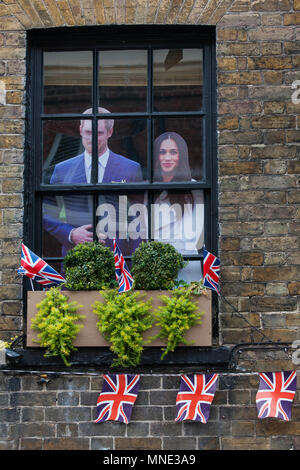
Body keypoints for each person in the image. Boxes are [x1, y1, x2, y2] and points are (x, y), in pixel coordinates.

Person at [43, 107, 143, 257]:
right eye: (88, 132)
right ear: (80, 129)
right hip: (75, 257)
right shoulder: (61, 170)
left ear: (110, 132)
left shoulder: (130, 169)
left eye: (99, 133)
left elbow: (138, 218)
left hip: (119, 259)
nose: (92, 138)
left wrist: (136, 263)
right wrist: (70, 234)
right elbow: (45, 211)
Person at [152, 131, 204, 282]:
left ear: (181, 155)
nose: (167, 158)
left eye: (173, 152)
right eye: (162, 152)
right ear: (156, 156)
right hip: (157, 264)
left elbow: (198, 234)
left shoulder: (195, 189)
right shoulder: (150, 189)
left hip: (188, 264)